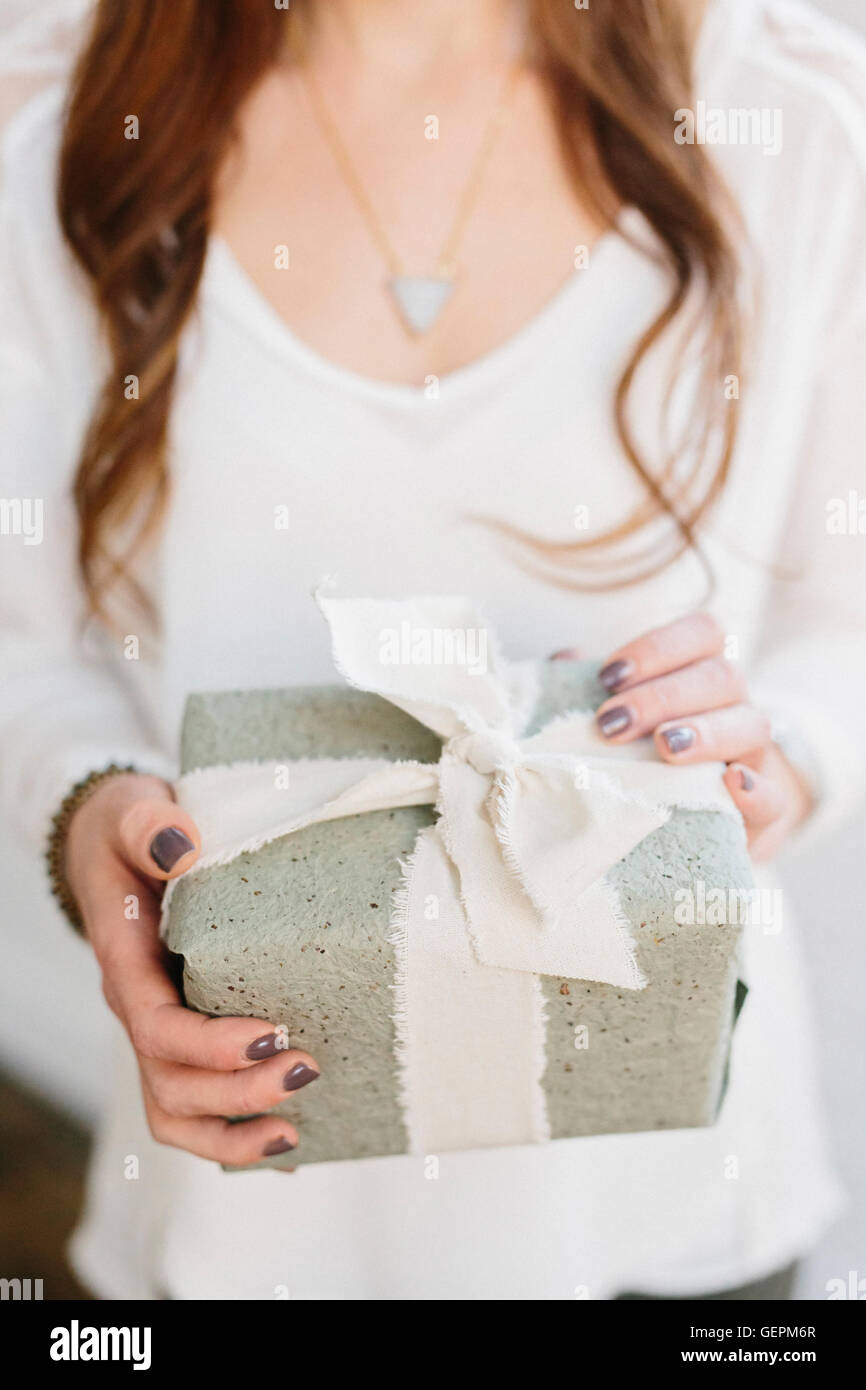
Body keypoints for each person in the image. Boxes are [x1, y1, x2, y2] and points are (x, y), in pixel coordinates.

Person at [1, 0, 864, 1300]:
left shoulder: (793, 108)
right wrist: (89, 814)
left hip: (674, 1201)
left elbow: (843, 619)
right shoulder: (48, 116)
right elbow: (22, 638)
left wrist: (781, 751)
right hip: (249, 1210)